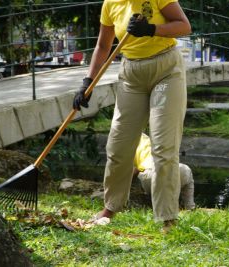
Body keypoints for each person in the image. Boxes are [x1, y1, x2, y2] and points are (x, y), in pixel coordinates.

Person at [73, 1, 191, 230]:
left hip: (166, 70)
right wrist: (87, 82)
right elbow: (103, 45)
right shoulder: (110, 4)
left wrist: (151, 29)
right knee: (118, 146)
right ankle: (110, 207)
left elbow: (184, 26)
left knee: (163, 147)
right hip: (131, 75)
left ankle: (167, 218)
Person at [133, 133, 195, 210]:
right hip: (175, 170)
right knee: (186, 170)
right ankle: (189, 207)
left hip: (150, 174)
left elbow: (131, 171)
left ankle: (151, 207)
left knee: (136, 176)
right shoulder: (146, 138)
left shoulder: (124, 143)